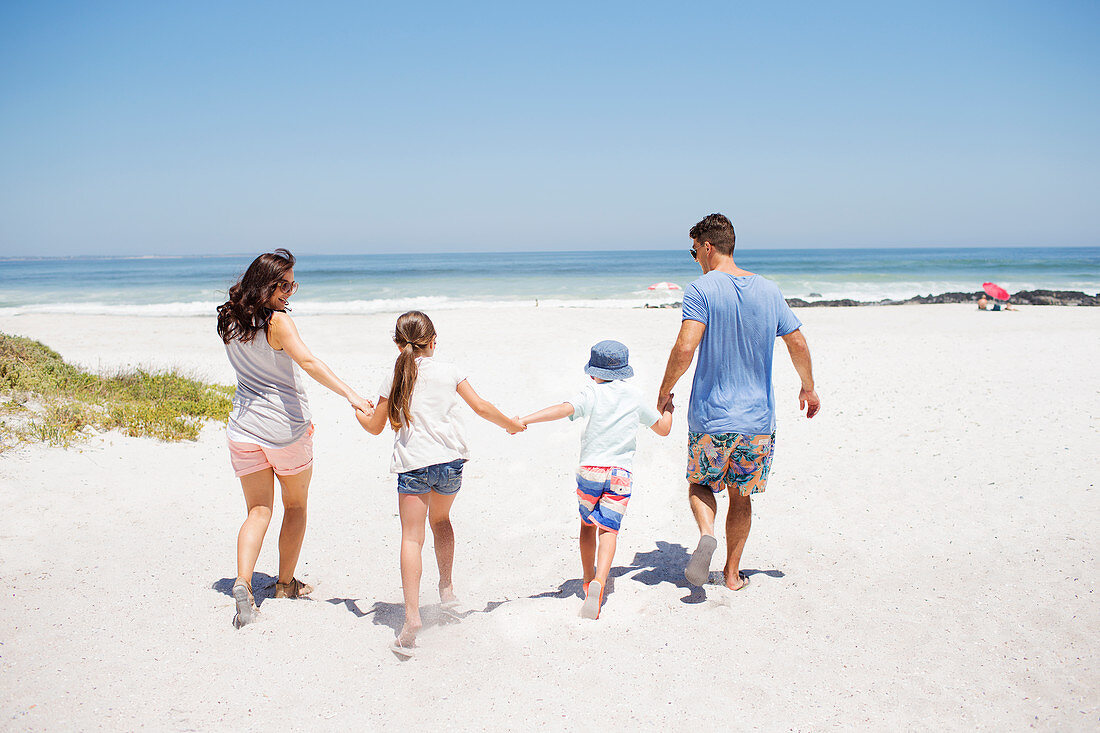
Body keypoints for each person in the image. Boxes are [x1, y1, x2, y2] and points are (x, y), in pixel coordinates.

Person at [657, 214, 820, 591]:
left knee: (700, 484)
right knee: (741, 495)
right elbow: (797, 341)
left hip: (711, 417)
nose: (694, 256)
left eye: (694, 249)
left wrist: (665, 390)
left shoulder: (701, 289)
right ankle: (731, 575)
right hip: (757, 421)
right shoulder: (768, 289)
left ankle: (706, 533)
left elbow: (685, 346)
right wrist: (807, 387)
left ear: (708, 247)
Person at [217, 249, 373, 629]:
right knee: (296, 506)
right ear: (266, 284)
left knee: (257, 511)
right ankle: (285, 585)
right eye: (283, 285)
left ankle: (243, 582)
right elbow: (309, 363)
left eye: (293, 284)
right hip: (285, 429)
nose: (290, 292)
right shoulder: (278, 322)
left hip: (243, 428)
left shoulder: (229, 318)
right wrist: (351, 395)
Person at [356, 311, 526, 657]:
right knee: (442, 521)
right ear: (433, 341)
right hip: (449, 463)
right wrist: (510, 423)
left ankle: (413, 618)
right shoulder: (450, 371)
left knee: (411, 538)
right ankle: (446, 590)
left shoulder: (393, 376)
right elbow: (480, 407)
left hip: (414, 466)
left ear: (397, 343)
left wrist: (357, 409)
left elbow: (374, 426)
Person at [520, 340, 674, 619]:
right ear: (625, 371)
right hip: (620, 474)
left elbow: (563, 408)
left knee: (587, 525)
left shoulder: (590, 392)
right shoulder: (635, 396)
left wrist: (526, 419)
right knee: (609, 530)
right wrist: (668, 409)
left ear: (593, 372)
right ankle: (600, 582)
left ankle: (587, 575)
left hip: (590, 470)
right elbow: (663, 430)